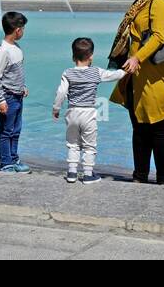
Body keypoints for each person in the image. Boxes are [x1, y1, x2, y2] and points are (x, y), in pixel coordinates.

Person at [109, 0, 164, 185]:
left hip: (154, 75)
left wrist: (137, 57)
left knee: (158, 130)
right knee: (139, 128)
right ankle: (140, 175)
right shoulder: (141, 2)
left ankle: (163, 179)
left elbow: (160, 36)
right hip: (136, 75)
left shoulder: (158, 1)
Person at [53, 36, 127, 183]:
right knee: (89, 145)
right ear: (91, 56)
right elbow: (113, 75)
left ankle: (72, 173)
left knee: (73, 144)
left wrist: (56, 108)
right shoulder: (96, 72)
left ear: (73, 56)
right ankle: (88, 174)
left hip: (72, 112)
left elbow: (61, 93)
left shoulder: (67, 73)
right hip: (88, 113)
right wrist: (126, 71)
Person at [0, 10, 31, 173]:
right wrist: (0, 100)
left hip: (17, 95)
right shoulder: (3, 51)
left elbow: (15, 73)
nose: (23, 31)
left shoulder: (16, 47)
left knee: (16, 130)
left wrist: (22, 88)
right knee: (6, 131)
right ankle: (6, 162)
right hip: (7, 97)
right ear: (18, 30)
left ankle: (14, 158)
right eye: (23, 28)